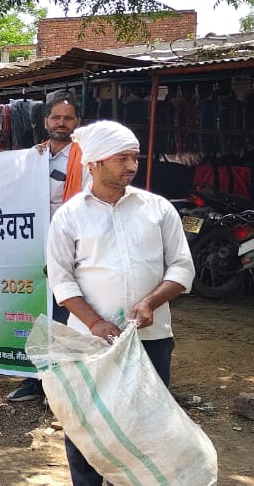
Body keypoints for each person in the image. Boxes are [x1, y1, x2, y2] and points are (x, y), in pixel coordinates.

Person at [49, 120, 194, 486]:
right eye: (122, 158)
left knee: (145, 425)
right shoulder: (69, 215)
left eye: (135, 157)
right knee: (85, 424)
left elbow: (182, 267)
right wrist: (95, 323)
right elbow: (61, 280)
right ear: (94, 163)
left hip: (150, 339)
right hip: (89, 342)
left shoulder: (158, 209)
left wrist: (150, 303)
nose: (132, 166)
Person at [7, 89, 91, 402]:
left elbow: (87, 205)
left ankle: (61, 385)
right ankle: (35, 379)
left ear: (77, 122)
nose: (61, 123)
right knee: (36, 314)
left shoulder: (85, 159)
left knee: (63, 314)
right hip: (33, 247)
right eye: (56, 117)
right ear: (46, 121)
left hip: (68, 248)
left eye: (68, 118)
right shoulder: (34, 156)